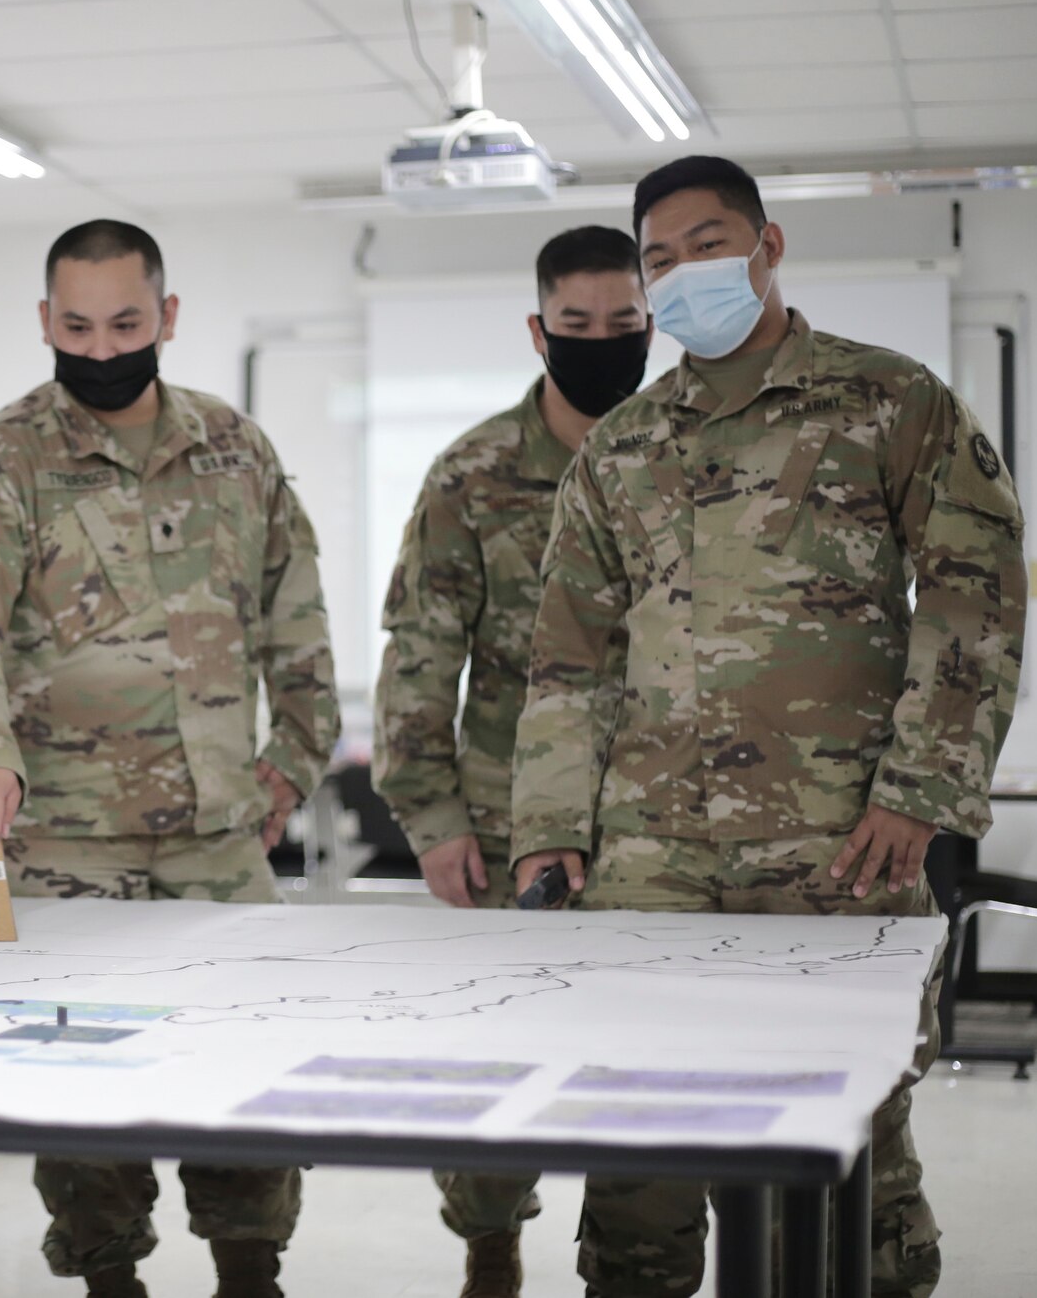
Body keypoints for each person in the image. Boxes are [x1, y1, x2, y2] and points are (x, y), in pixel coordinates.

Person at [512, 154, 1026, 1298]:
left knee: (840, 1159)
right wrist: (548, 824)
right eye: (658, 259)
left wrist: (918, 792)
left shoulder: (889, 401)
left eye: (705, 244)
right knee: (635, 1158)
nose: (683, 273)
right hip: (648, 859)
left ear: (765, 245)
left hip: (835, 845)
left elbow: (969, 591)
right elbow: (566, 650)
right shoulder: (621, 447)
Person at [0, 220, 338, 1298]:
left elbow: (296, 615)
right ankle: (107, 1279)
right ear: (46, 322)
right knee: (83, 1095)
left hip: (215, 837)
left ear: (166, 318)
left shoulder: (237, 449)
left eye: (126, 323)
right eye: (78, 326)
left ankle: (248, 1271)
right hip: (64, 840)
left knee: (243, 1071)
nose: (101, 348)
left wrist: (293, 759)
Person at [374, 225, 652, 1298]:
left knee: (634, 1064)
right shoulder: (473, 473)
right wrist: (429, 814)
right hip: (496, 824)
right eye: (575, 326)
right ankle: (490, 1247)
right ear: (538, 331)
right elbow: (417, 655)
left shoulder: (681, 458)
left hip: (655, 822)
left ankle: (627, 1267)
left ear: (647, 326)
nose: (598, 344)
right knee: (498, 1062)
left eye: (621, 325)